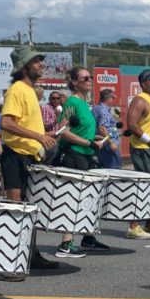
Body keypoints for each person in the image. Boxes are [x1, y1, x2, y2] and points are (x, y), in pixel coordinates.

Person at [0, 45, 60, 279]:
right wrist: (38, 136)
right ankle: (6, 263)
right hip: (15, 155)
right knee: (15, 209)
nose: (41, 64)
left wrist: (45, 136)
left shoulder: (30, 90)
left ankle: (30, 254)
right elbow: (6, 123)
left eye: (41, 60)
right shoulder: (17, 90)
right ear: (24, 66)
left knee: (30, 208)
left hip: (29, 155)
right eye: (36, 61)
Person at [53, 67, 108, 258]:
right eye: (84, 78)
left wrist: (96, 137)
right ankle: (65, 244)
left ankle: (87, 238)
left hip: (85, 155)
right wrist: (87, 142)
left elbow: (82, 130)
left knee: (85, 199)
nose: (89, 80)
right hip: (73, 155)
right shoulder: (72, 102)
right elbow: (63, 131)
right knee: (71, 199)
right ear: (74, 82)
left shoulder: (86, 104)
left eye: (90, 77)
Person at [124, 69, 150, 240]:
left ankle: (149, 223)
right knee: (144, 187)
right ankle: (133, 226)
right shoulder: (140, 100)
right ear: (143, 84)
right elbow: (132, 125)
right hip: (143, 149)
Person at [92, 89, 123, 170]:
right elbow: (102, 128)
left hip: (103, 144)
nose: (113, 100)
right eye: (113, 98)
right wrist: (111, 143)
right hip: (107, 145)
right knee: (113, 169)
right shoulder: (103, 110)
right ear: (108, 98)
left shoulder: (96, 108)